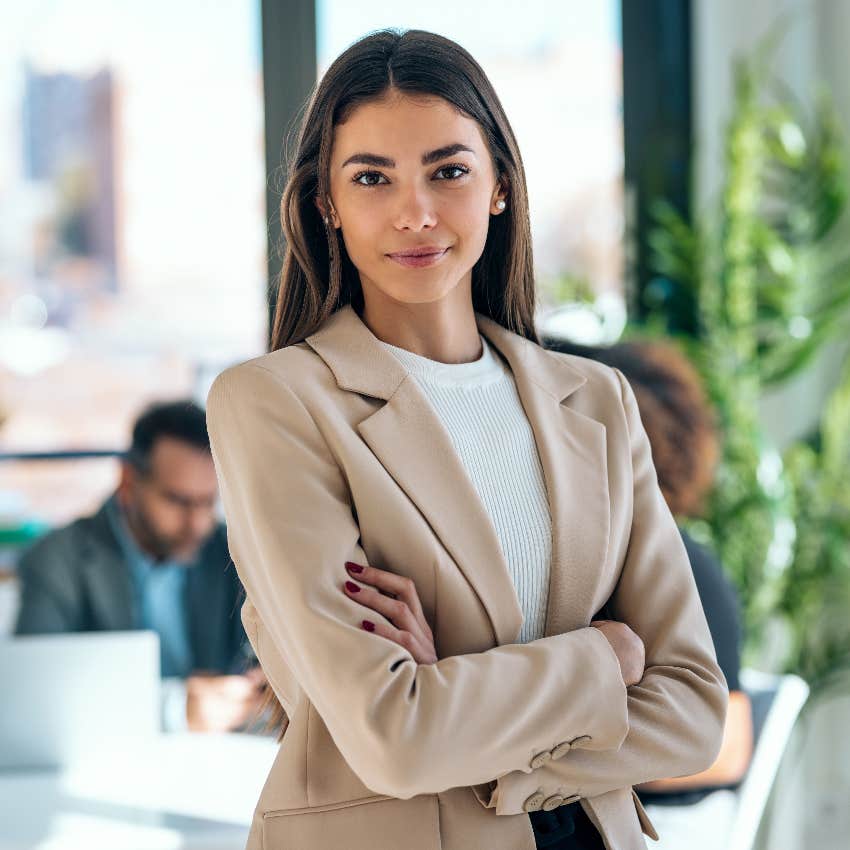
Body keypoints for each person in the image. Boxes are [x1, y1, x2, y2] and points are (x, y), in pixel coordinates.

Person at [205, 29, 728, 850]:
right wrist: (604, 655)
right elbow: (395, 738)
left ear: (499, 188)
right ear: (326, 204)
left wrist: (468, 715)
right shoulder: (276, 404)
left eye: (447, 171)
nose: (414, 212)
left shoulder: (596, 402)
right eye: (371, 178)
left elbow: (695, 711)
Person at [542, 338, 754, 846]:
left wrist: (560, 754)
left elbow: (728, 744)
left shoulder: (681, 564)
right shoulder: (586, 553)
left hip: (661, 827)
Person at [15, 399, 266, 733]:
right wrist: (172, 708)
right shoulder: (55, 560)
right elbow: (34, 697)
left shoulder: (232, 552)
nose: (197, 524)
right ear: (128, 483)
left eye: (208, 502)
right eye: (178, 501)